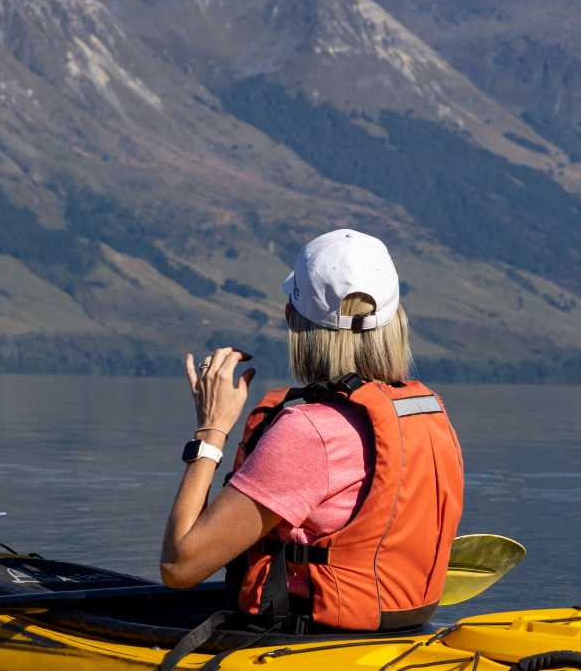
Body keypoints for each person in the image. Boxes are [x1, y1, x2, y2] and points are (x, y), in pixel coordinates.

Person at [159, 228, 465, 633]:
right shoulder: (422, 414)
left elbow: (180, 565)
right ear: (396, 322)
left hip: (309, 641)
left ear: (293, 321)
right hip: (396, 633)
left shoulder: (308, 433)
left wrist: (211, 430)